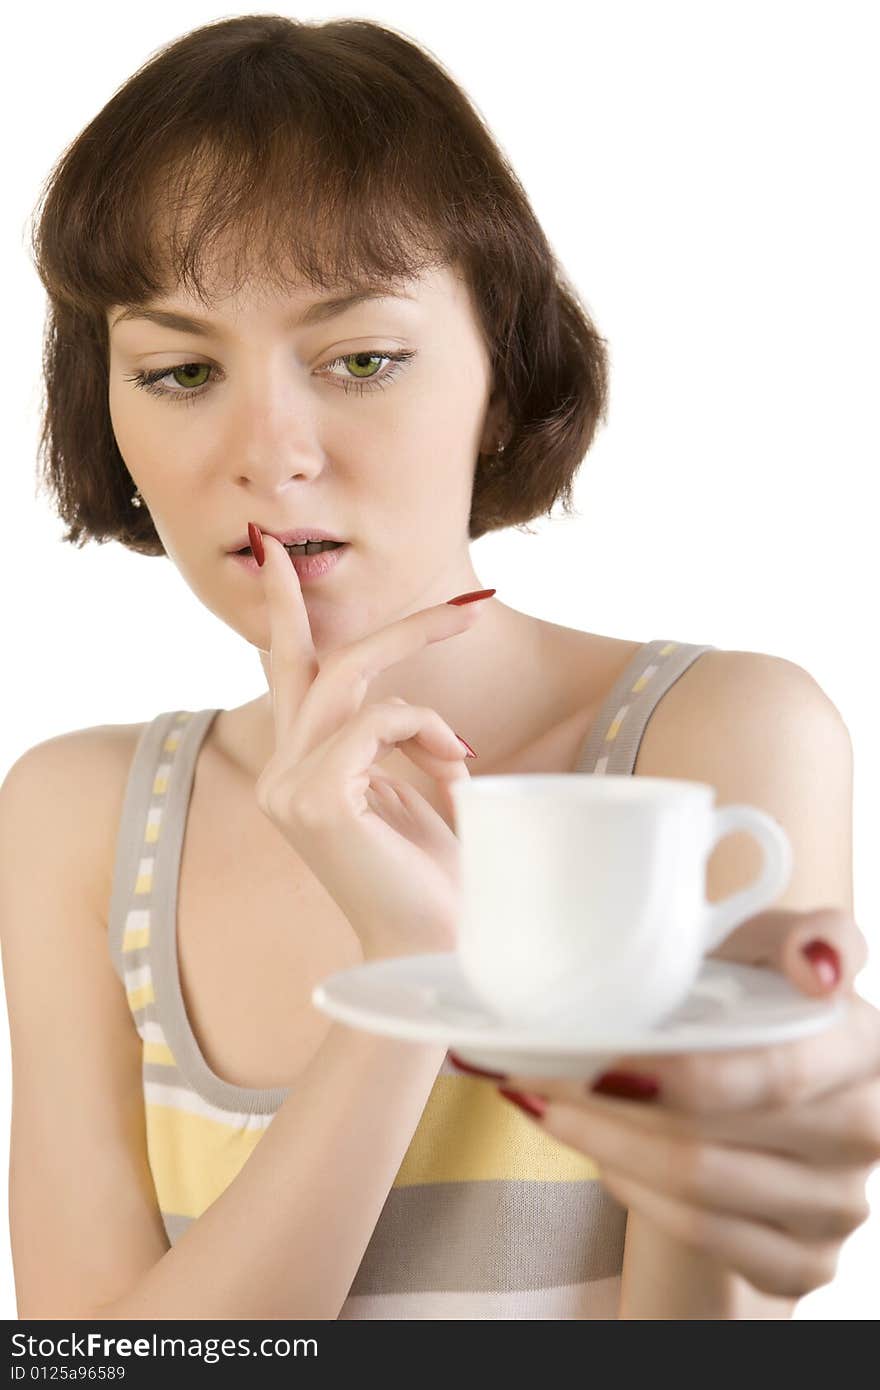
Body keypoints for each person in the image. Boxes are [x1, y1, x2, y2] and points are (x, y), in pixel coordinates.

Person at [1, 14, 877, 1322]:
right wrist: (408, 971)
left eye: (360, 357)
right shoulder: (77, 814)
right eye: (181, 371)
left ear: (503, 379)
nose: (270, 453)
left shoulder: (719, 739)